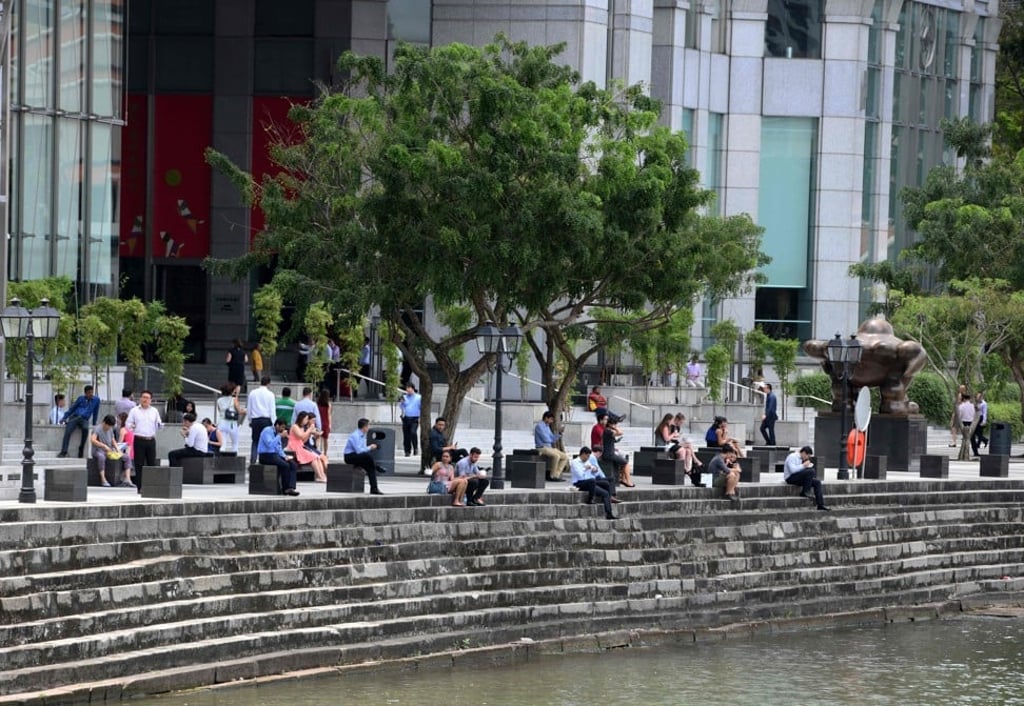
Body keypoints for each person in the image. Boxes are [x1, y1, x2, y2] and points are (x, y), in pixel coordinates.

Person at [125, 390, 163, 492]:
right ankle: (140, 487)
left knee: (152, 463)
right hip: (139, 439)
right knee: (139, 464)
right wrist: (132, 427)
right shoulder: (134, 410)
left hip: (151, 439)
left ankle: (152, 487)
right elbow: (127, 424)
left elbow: (159, 424)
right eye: (143, 397)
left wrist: (160, 425)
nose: (145, 399)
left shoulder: (154, 411)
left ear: (151, 400)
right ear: (140, 398)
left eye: (147, 398)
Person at [570, 446, 619, 520]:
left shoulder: (587, 461)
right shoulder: (575, 462)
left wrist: (594, 470)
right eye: (587, 456)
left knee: (605, 485)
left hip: (590, 482)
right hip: (579, 483)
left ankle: (609, 512)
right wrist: (585, 468)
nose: (588, 458)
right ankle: (590, 499)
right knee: (592, 481)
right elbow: (580, 475)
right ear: (583, 454)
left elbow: (594, 472)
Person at [654, 413, 702, 484]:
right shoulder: (664, 427)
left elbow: (669, 439)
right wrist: (674, 434)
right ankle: (685, 469)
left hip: (669, 444)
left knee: (688, 450)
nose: (672, 422)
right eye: (672, 420)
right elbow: (667, 439)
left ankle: (687, 469)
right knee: (682, 450)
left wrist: (676, 436)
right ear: (668, 420)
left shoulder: (669, 427)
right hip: (663, 445)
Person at [256, 419, 299, 496]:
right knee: (285, 466)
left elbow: (278, 448)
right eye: (281, 427)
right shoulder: (267, 431)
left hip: (275, 455)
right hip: (266, 455)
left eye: (284, 428)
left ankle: (291, 487)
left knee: (293, 464)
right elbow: (270, 445)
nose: (283, 429)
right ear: (277, 425)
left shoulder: (278, 433)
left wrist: (285, 456)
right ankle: (285, 488)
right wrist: (279, 436)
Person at [59, 385, 101, 458]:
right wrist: (64, 417)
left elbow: (95, 412)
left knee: (85, 429)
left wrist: (94, 424)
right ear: (85, 393)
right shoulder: (80, 399)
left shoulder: (96, 400)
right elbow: (72, 408)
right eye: (89, 393)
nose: (91, 394)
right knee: (68, 431)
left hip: (84, 419)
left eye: (92, 392)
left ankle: (81, 447)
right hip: (75, 417)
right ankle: (63, 451)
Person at [343, 417, 383, 495]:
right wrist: (370, 447)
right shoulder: (355, 435)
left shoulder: (363, 435)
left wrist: (369, 448)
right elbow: (359, 451)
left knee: (371, 468)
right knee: (367, 456)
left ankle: (374, 488)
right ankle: (377, 466)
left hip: (359, 457)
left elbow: (363, 449)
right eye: (367, 426)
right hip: (350, 456)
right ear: (364, 427)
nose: (368, 428)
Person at [784, 445, 830, 511]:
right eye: (808, 456)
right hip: (790, 478)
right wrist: (803, 466)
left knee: (817, 482)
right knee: (811, 472)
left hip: (797, 477)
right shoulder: (792, 457)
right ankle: (805, 491)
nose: (807, 458)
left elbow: (800, 470)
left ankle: (820, 504)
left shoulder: (801, 459)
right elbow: (792, 470)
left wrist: (806, 468)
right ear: (804, 453)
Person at [288, 411, 327, 482]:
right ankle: (319, 476)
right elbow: (301, 436)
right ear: (301, 419)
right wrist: (309, 430)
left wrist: (311, 433)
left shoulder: (302, 428)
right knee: (313, 457)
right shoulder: (294, 426)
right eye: (306, 419)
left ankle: (322, 475)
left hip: (301, 446)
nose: (306, 421)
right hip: (294, 447)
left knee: (317, 457)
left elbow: (304, 440)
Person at [247, 376, 276, 463]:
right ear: (268, 383)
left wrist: (249, 420)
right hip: (266, 420)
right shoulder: (270, 394)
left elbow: (249, 407)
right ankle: (264, 460)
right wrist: (274, 422)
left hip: (255, 419)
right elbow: (272, 410)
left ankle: (253, 459)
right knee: (266, 440)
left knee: (255, 440)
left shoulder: (253, 393)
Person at [534, 411, 569, 482]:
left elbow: (552, 439)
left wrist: (559, 433)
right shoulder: (539, 426)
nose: (551, 421)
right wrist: (551, 438)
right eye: (551, 419)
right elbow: (546, 439)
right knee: (556, 456)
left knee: (565, 457)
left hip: (549, 448)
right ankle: (552, 476)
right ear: (546, 418)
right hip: (541, 447)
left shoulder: (547, 427)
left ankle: (556, 475)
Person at [601, 415, 635, 487]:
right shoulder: (608, 431)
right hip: (609, 454)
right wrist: (615, 428)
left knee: (623, 460)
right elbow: (620, 432)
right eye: (614, 423)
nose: (616, 425)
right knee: (625, 463)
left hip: (610, 452)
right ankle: (628, 481)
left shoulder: (607, 431)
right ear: (610, 424)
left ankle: (623, 479)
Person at [89, 414, 120, 487]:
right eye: (108, 426)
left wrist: (117, 448)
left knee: (126, 457)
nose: (109, 428)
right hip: (98, 450)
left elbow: (113, 440)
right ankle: (103, 479)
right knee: (101, 457)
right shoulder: (97, 429)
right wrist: (103, 446)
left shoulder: (110, 429)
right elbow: (93, 440)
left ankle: (126, 479)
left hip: (109, 450)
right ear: (104, 422)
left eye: (111, 426)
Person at [216, 382, 245, 455]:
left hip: (222, 423)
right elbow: (239, 411)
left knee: (223, 444)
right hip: (232, 424)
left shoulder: (219, 400)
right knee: (235, 443)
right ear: (231, 390)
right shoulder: (234, 399)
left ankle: (221, 458)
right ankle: (234, 459)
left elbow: (220, 411)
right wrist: (245, 411)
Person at [399, 383, 422, 458]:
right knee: (406, 436)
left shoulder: (418, 397)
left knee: (413, 432)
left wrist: (420, 418)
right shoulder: (404, 397)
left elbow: (421, 407)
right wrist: (401, 402)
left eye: (409, 389)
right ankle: (407, 451)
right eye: (407, 389)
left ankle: (415, 447)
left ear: (413, 389)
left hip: (415, 418)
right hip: (406, 418)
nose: (408, 391)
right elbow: (401, 407)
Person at [114, 412, 136, 487]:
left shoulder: (123, 430)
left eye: (118, 420)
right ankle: (126, 478)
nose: (117, 422)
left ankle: (126, 478)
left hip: (127, 451)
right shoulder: (132, 428)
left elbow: (120, 444)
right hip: (133, 450)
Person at [972, 391, 989, 456]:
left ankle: (983, 440)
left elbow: (985, 413)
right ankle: (983, 441)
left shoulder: (984, 403)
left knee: (978, 432)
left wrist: (984, 421)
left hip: (980, 418)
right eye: (977, 396)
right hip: (975, 417)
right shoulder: (975, 403)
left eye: (979, 396)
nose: (978, 397)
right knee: (976, 432)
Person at [316, 388, 332, 456]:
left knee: (318, 438)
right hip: (325, 422)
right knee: (326, 439)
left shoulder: (317, 403)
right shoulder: (328, 404)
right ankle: (325, 453)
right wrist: (330, 424)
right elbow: (329, 415)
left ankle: (317, 451)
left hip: (319, 422)